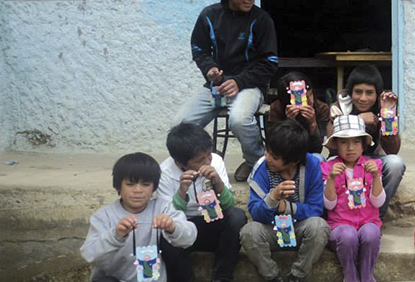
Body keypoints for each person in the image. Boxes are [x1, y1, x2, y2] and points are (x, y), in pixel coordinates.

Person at [176, 0, 278, 182]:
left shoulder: (262, 20)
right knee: (180, 125)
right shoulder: (208, 16)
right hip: (215, 89)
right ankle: (199, 165)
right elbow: (199, 49)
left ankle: (256, 163)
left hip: (249, 87)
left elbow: (270, 63)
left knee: (239, 119)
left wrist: (240, 82)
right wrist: (209, 69)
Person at [80, 153, 197, 282]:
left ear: (154, 187)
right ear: (118, 187)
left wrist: (173, 227)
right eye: (130, 184)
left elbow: (189, 237)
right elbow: (89, 254)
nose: (138, 190)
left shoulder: (163, 208)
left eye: (145, 184)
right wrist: (115, 236)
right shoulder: (104, 216)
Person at [239, 120, 330, 282]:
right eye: (267, 151)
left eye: (274, 156)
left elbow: (316, 209)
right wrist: (272, 198)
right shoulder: (261, 168)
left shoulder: (312, 165)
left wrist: (286, 207)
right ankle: (272, 276)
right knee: (249, 231)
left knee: (319, 226)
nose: (267, 157)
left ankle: (298, 275)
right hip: (271, 229)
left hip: (299, 228)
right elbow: (255, 212)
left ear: (293, 161)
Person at [157, 123, 247, 282]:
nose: (207, 162)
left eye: (208, 155)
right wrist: (181, 192)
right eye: (200, 160)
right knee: (165, 234)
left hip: (210, 223)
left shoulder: (216, 161)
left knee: (237, 217)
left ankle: (222, 277)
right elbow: (168, 216)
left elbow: (228, 205)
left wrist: (218, 182)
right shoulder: (165, 173)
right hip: (183, 227)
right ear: (180, 163)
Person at [329, 64, 405, 218]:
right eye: (358, 92)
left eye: (369, 93)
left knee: (395, 163)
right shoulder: (339, 107)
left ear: (377, 94)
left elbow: (392, 150)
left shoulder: (383, 107)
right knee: (330, 162)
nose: (363, 98)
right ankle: (339, 217)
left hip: (372, 161)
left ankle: (377, 216)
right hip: (346, 161)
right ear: (351, 92)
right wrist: (357, 121)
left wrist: (387, 116)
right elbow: (332, 147)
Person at [321, 115, 385, 282]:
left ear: (363, 145)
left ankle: (367, 276)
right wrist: (331, 179)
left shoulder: (373, 165)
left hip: (367, 221)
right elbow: (329, 205)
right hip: (340, 225)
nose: (350, 148)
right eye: (343, 142)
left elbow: (378, 202)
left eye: (356, 142)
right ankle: (350, 276)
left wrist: (376, 176)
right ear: (335, 145)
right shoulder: (328, 167)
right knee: (348, 235)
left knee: (371, 233)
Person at [268, 71, 330, 155]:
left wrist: (312, 124)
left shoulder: (322, 108)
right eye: (305, 98)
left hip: (309, 154)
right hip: (285, 155)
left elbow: (317, 150)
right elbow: (275, 147)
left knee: (318, 158)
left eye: (311, 94)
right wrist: (289, 123)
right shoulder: (277, 108)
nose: (310, 101)